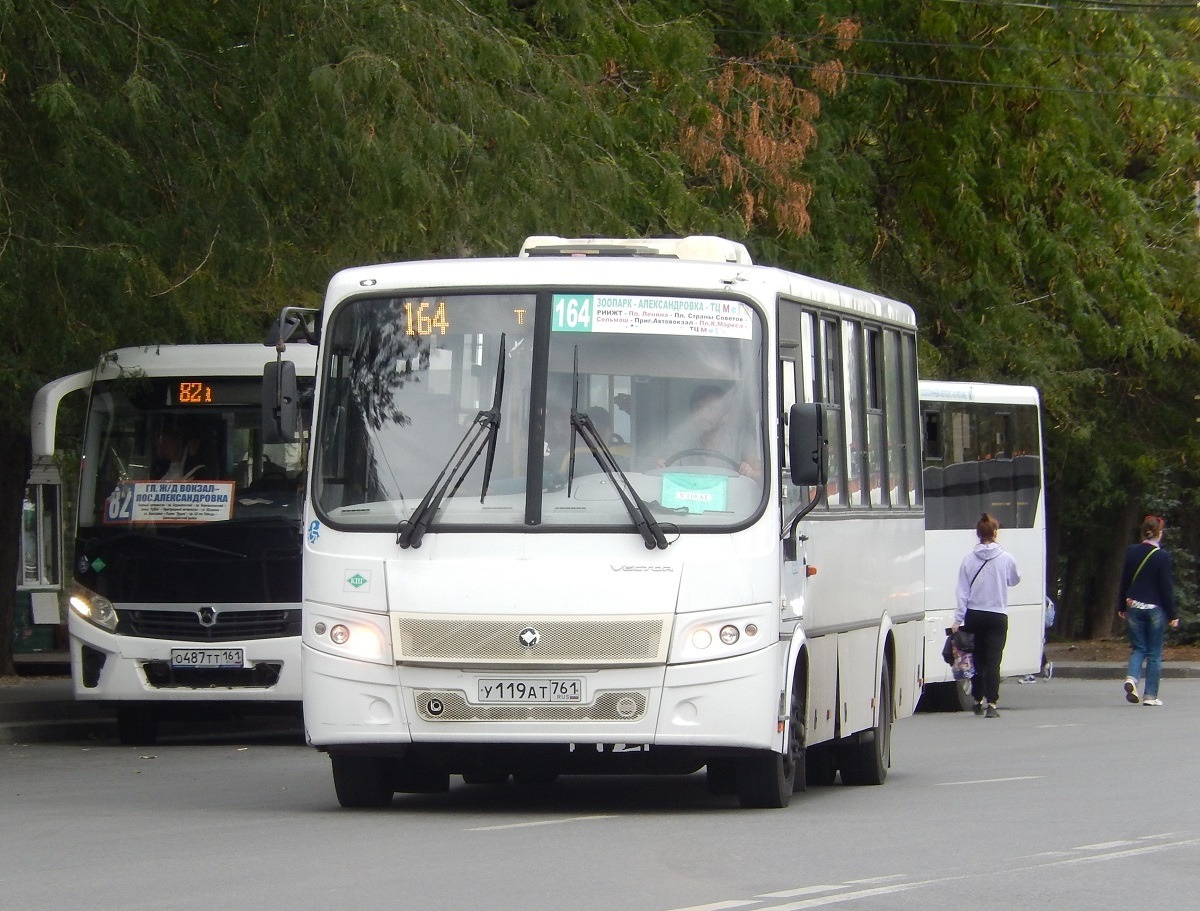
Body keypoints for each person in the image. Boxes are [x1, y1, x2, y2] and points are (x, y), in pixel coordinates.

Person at [952, 512, 1021, 718]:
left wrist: (958, 619)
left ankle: (977, 699)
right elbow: (1014, 580)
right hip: (997, 615)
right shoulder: (1006, 558)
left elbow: (962, 591)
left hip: (974, 614)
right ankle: (992, 703)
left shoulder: (968, 560)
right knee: (993, 661)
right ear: (995, 533)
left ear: (978, 534)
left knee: (976, 659)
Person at [1117, 515, 1178, 706]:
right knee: (1154, 653)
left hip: (1133, 605)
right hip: (1154, 609)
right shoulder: (1162, 556)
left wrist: (1121, 606)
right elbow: (1165, 587)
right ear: (1159, 533)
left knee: (1138, 648)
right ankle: (1150, 696)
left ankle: (1131, 678)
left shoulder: (1131, 552)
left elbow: (1124, 580)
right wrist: (1172, 614)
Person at [660, 384, 762, 480]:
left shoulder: (741, 440)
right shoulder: (680, 442)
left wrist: (750, 473)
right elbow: (665, 471)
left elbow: (761, 475)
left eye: (711, 408)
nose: (703, 414)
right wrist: (661, 467)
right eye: (698, 408)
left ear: (725, 416)